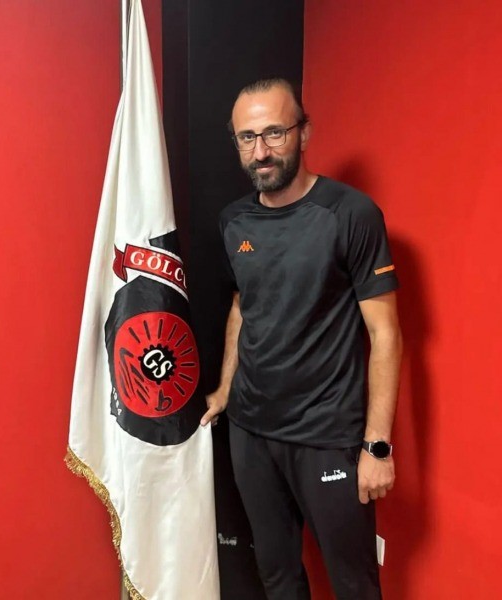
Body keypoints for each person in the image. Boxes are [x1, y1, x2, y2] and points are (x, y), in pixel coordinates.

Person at [201, 78, 403, 600]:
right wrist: (225, 389)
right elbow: (242, 306)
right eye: (247, 138)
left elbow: (385, 333)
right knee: (277, 576)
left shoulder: (351, 215)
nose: (261, 151)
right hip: (251, 431)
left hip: (327, 435)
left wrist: (377, 446)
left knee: (354, 584)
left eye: (275, 133)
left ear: (304, 133)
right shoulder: (233, 221)